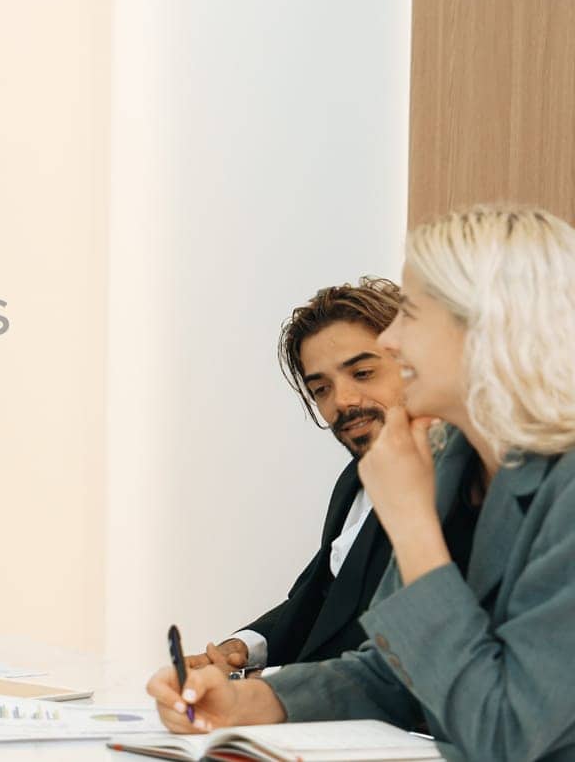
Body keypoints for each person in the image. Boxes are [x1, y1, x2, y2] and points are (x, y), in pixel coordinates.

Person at [148, 205, 575, 760]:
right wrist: (250, 703)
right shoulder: (454, 467)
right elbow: (397, 672)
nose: (392, 340)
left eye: (412, 315)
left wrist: (412, 524)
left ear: (491, 324)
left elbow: (506, 731)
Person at [186, 279, 403, 674]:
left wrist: (269, 687)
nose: (343, 401)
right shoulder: (353, 480)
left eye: (364, 373)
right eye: (321, 388)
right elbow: (320, 597)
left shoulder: (462, 486)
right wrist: (241, 648)